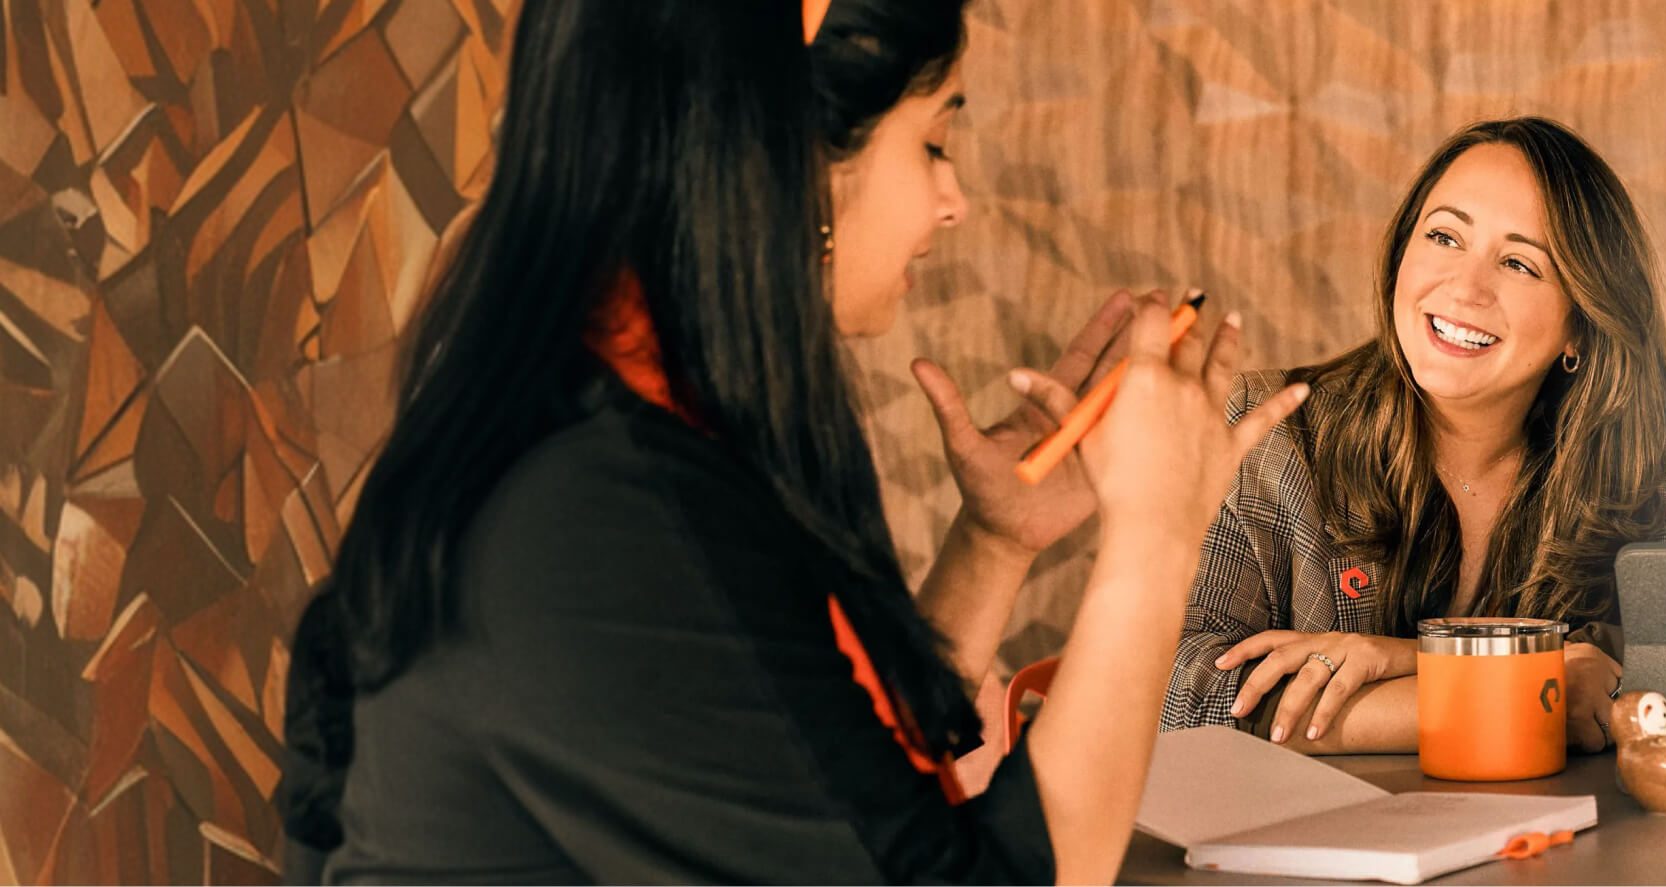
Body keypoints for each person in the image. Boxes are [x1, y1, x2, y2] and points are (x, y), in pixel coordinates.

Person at [269, 0, 1295, 881]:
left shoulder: (621, 433)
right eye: (933, 141)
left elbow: (811, 779)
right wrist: (1155, 535)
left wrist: (996, 542)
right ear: (789, 162)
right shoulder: (597, 520)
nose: (953, 202)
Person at [1157, 118, 1666, 754]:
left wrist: (1399, 661)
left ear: (1582, 323)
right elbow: (1171, 697)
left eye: (1520, 264)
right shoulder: (1265, 428)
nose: (1466, 289)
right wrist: (1518, 693)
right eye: (1443, 236)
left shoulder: (1657, 469)